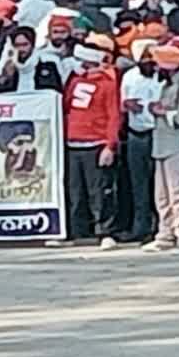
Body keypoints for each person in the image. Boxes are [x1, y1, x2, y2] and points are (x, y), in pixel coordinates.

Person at [54, 35, 120, 249]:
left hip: (95, 143)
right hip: (73, 143)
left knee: (98, 191)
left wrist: (110, 145)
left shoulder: (108, 84)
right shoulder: (74, 80)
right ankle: (74, 231)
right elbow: (65, 107)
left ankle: (105, 231)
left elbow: (114, 115)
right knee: (74, 191)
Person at [144, 45, 179, 254]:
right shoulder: (164, 84)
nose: (155, 66)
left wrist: (162, 112)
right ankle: (166, 233)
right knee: (162, 194)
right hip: (161, 143)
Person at [119, 40, 161, 243]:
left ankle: (160, 226)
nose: (149, 61)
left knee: (158, 183)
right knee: (138, 184)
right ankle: (140, 227)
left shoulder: (163, 76)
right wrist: (127, 105)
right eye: (145, 58)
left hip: (158, 133)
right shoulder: (129, 77)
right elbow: (122, 103)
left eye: (152, 57)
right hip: (136, 133)